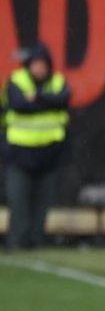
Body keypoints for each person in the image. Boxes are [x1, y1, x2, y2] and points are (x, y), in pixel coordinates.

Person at [4, 44, 70, 250]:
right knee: (18, 200)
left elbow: (63, 100)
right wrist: (46, 102)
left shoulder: (58, 81)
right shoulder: (16, 81)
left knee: (43, 202)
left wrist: (38, 98)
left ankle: (37, 241)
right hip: (19, 151)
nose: (39, 69)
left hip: (49, 152)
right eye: (35, 64)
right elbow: (18, 105)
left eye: (43, 65)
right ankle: (16, 242)